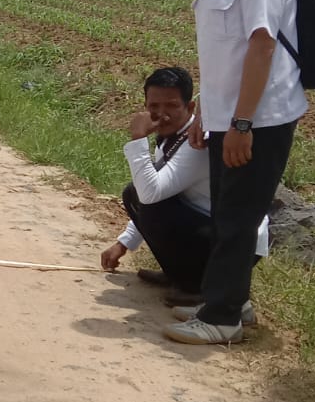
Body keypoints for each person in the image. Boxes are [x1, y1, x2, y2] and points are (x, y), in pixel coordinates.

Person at [155, 0, 306, 345]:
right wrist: (206, 110)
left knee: (238, 217)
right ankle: (231, 301)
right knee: (226, 214)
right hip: (228, 115)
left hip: (259, 118)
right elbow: (224, 51)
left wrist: (241, 123)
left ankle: (221, 319)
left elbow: (261, 46)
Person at [99, 66, 266, 325]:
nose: (162, 114)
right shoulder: (171, 137)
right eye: (154, 106)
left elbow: (151, 193)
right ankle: (177, 273)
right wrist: (123, 244)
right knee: (137, 195)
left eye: (172, 106)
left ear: (190, 108)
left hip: (237, 243)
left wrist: (137, 139)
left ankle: (195, 286)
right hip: (210, 228)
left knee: (144, 197)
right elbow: (153, 191)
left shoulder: (197, 142)